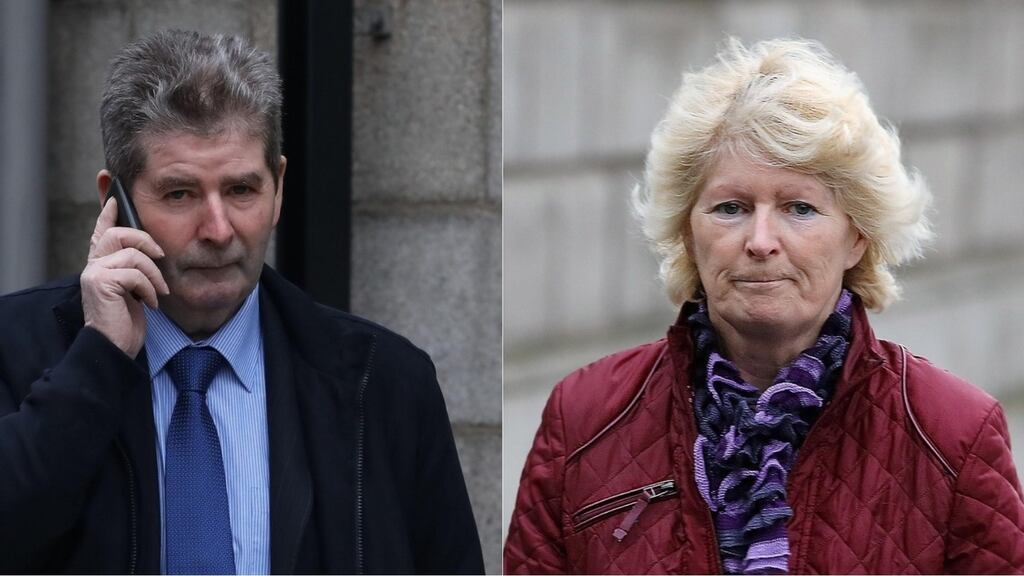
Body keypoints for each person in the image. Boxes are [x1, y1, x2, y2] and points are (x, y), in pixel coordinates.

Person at [505, 37, 1024, 574]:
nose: (760, 240)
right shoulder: (585, 418)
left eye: (799, 208)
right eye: (730, 208)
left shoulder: (952, 434)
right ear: (687, 231)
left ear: (858, 237)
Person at [0, 29, 483, 574]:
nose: (218, 228)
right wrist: (97, 361)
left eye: (241, 190)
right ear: (114, 202)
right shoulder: (16, 349)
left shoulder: (385, 381)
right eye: (180, 193)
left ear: (277, 187)